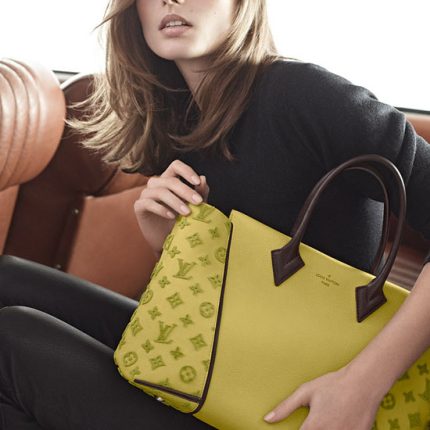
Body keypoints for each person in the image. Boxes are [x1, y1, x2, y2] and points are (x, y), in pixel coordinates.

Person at [1, 0, 430, 428]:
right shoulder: (180, 114)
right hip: (227, 355)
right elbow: (220, 292)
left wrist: (360, 386)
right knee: (9, 279)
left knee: (9, 342)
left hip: (293, 396)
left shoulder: (306, 96)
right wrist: (168, 241)